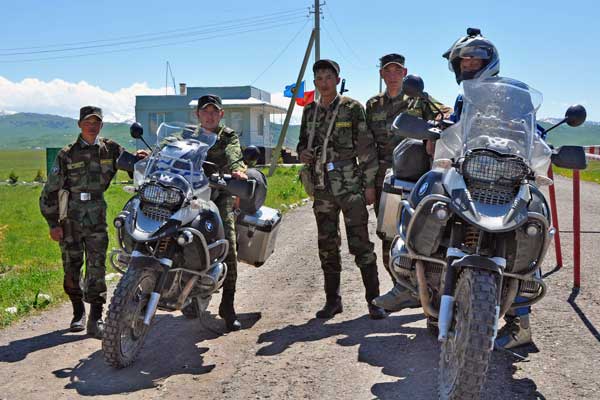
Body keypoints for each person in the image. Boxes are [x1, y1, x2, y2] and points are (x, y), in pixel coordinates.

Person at [443, 28, 534, 349]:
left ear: (490, 61)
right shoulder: (463, 96)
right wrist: (438, 129)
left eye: (475, 61)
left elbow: (532, 129)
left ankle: (521, 319)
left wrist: (541, 143)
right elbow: (454, 127)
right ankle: (416, 266)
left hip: (507, 173)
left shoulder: (515, 93)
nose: (469, 66)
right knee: (433, 195)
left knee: (530, 223)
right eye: (464, 62)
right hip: (471, 169)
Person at [39, 106, 147, 339]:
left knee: (97, 267)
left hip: (97, 215)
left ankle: (95, 318)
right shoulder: (67, 154)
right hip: (71, 218)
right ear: (80, 124)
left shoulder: (110, 149)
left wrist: (141, 160)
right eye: (88, 121)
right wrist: (52, 223)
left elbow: (133, 166)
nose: (92, 125)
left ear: (101, 124)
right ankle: (78, 312)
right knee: (72, 265)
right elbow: (50, 190)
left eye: (96, 121)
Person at [297, 59, 386, 320]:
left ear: (337, 80)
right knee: (327, 243)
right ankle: (333, 301)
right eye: (319, 78)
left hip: (349, 185)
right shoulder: (309, 111)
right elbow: (303, 141)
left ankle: (374, 301)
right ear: (315, 83)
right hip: (322, 186)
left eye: (328, 77)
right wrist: (303, 152)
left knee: (361, 244)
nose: (324, 82)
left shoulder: (351, 109)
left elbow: (367, 149)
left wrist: (369, 184)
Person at [367, 54, 451, 312]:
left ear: (405, 73)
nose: (392, 75)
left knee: (425, 232)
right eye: (387, 71)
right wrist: (369, 181)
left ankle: (429, 291)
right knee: (389, 234)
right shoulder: (373, 104)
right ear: (382, 74)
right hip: (386, 176)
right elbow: (366, 142)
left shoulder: (419, 98)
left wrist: (434, 130)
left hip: (416, 176)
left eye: (397, 70)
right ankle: (401, 287)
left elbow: (446, 113)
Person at [188, 94, 247, 331]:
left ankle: (228, 306)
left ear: (221, 114)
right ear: (198, 115)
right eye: (205, 111)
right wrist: (150, 157)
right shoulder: (187, 136)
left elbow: (234, 153)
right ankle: (188, 295)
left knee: (228, 246)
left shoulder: (228, 135)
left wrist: (238, 169)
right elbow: (167, 148)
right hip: (190, 194)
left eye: (214, 112)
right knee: (183, 240)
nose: (210, 115)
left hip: (219, 194)